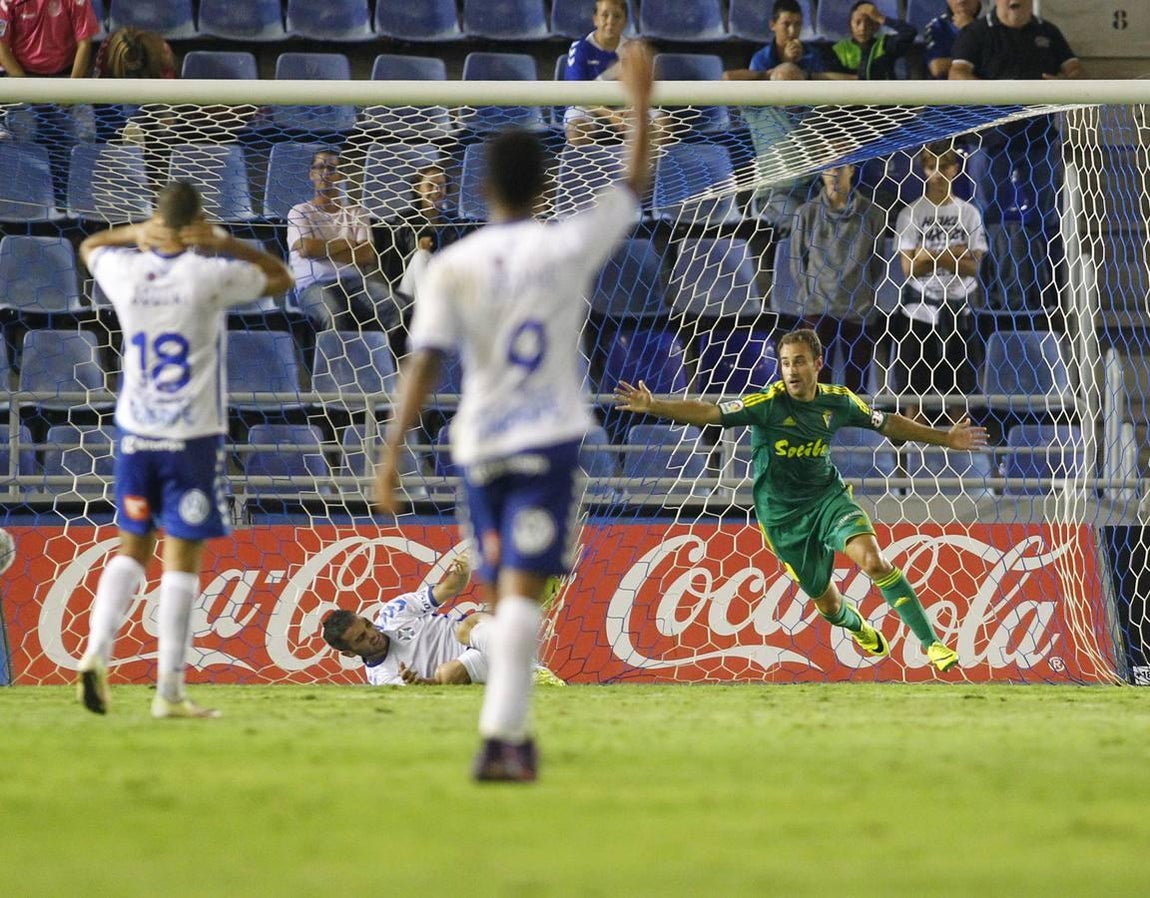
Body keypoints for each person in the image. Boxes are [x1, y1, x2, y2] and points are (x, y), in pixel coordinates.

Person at [374, 42, 655, 783]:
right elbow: (631, 183)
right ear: (543, 189)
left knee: (497, 586)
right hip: (548, 439)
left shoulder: (453, 264)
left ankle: (503, 733)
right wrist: (639, 104)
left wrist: (393, 450)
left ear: (486, 188)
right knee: (520, 593)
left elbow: (423, 363)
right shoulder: (563, 244)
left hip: (478, 444)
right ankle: (503, 737)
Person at [614, 328, 987, 673]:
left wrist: (946, 438)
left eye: (799, 361)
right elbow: (710, 412)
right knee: (829, 606)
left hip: (828, 500)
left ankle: (932, 644)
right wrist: (655, 405)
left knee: (874, 561)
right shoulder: (767, 404)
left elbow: (888, 423)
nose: (791, 371)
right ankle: (856, 625)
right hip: (782, 519)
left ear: (817, 364)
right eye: (786, 363)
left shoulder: (838, 402)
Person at [75, 181, 295, 719]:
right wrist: (227, 243)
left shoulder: (124, 271)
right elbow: (282, 278)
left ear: (156, 221)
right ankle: (168, 692)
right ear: (200, 224)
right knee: (182, 561)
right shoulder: (208, 274)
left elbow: (88, 248)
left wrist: (133, 233)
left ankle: (96, 650)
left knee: (132, 548)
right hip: (191, 438)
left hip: (135, 434)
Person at [949, 0, 1082, 312]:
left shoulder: (1047, 31)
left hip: (1039, 138)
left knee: (1046, 217)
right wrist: (1000, 93)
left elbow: (1076, 70)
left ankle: (1045, 292)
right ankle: (990, 294)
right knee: (987, 218)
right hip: (990, 140)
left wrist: (1065, 84)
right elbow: (956, 76)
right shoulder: (978, 32)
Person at [893, 142, 988, 422]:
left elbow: (973, 268)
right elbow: (910, 268)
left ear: (955, 168)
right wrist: (953, 253)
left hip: (959, 311)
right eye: (931, 166)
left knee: (960, 397)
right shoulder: (910, 214)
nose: (937, 173)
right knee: (913, 396)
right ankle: (911, 456)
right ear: (924, 169)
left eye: (943, 166)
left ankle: (965, 458)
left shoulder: (969, 213)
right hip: (919, 311)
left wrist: (930, 255)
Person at [790, 163, 886, 395]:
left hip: (857, 308)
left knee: (857, 387)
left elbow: (876, 263)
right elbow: (797, 261)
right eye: (827, 168)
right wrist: (811, 293)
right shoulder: (805, 213)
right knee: (817, 384)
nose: (833, 174)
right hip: (818, 307)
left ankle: (854, 431)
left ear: (852, 169)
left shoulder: (873, 214)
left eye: (839, 167)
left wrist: (861, 292)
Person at [322, 557, 490, 686]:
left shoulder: (394, 612)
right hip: (472, 664)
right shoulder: (381, 678)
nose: (372, 634)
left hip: (474, 635)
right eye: (361, 638)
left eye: (367, 625)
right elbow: (431, 688)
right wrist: (420, 683)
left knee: (467, 626)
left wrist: (461, 570)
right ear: (349, 653)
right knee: (448, 674)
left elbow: (449, 588)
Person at [287, 149, 398, 332]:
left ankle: (385, 360)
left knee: (392, 307)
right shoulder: (299, 212)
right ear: (311, 174)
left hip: (353, 283)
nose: (325, 173)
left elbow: (366, 255)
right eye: (320, 167)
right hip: (313, 285)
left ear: (340, 175)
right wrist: (347, 243)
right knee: (334, 315)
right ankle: (333, 362)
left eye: (331, 168)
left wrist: (323, 250)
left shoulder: (356, 212)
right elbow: (307, 249)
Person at [723, 0, 826, 82]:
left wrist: (805, 74)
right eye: (786, 24)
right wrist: (786, 64)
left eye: (797, 24)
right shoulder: (761, 58)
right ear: (773, 25)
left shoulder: (813, 55)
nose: (792, 31)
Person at [0, 0, 99, 78]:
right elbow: (1, 47)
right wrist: (24, 87)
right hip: (21, 73)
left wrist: (71, 91)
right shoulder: (5, 2)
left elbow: (84, 44)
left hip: (68, 73)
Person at [827, 1, 917, 81]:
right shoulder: (839, 49)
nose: (863, 28)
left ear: (876, 26)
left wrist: (880, 17)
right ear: (850, 25)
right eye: (857, 22)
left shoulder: (885, 44)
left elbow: (910, 32)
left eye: (869, 22)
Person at [924, 0, 981, 80]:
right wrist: (966, 31)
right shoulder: (938, 26)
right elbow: (937, 67)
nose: (961, 1)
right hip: (946, 89)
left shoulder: (991, 26)